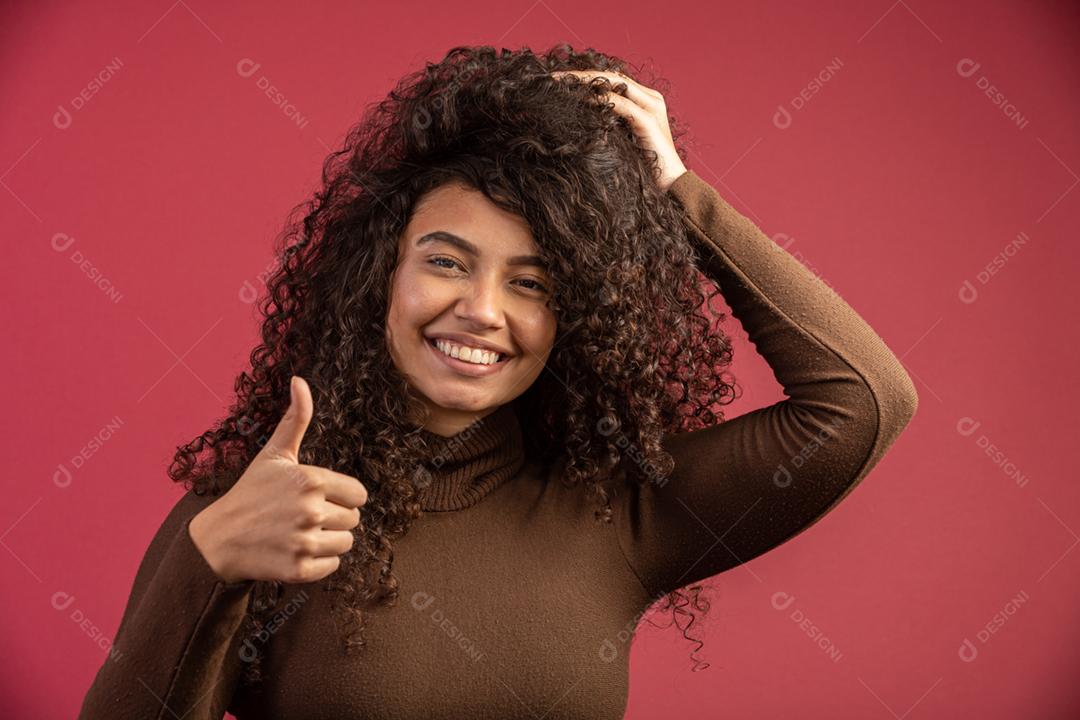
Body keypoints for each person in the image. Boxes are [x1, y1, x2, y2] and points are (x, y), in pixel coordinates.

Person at [78, 44, 917, 719]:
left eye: (532, 282)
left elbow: (864, 402)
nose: (482, 311)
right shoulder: (268, 514)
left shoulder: (618, 510)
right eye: (446, 262)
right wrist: (210, 560)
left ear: (573, 317)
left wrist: (676, 194)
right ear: (380, 275)